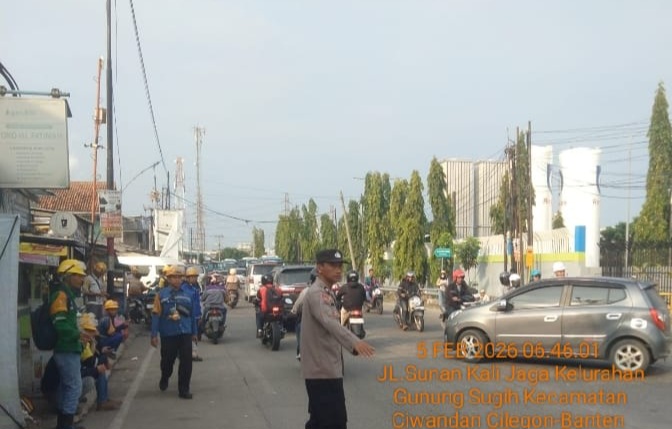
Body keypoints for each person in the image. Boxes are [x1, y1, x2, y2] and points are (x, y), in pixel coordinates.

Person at [301, 249, 375, 429]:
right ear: (319, 268)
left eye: (340, 266)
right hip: (323, 372)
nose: (338, 270)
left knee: (319, 422)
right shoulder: (317, 294)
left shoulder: (326, 291)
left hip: (324, 370)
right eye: (333, 265)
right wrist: (354, 342)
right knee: (334, 423)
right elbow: (331, 323)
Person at [50, 258, 87, 429]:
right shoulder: (61, 295)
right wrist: (77, 334)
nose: (81, 279)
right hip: (66, 348)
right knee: (74, 388)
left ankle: (65, 426)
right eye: (78, 276)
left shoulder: (68, 295)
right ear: (68, 276)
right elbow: (59, 323)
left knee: (68, 388)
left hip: (70, 347)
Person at [151, 265, 197, 399]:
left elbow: (192, 315)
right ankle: (165, 376)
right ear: (168, 279)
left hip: (185, 332)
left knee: (186, 361)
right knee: (167, 361)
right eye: (174, 277)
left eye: (179, 277)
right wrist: (154, 334)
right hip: (168, 333)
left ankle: (184, 389)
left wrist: (194, 332)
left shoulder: (188, 295)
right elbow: (156, 314)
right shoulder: (161, 295)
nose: (177, 280)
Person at [78, 314, 122, 412]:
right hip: (60, 389)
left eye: (92, 331)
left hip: (75, 377)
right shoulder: (79, 345)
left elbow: (92, 359)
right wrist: (98, 366)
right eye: (88, 331)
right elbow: (86, 366)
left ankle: (104, 399)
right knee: (94, 374)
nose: (91, 334)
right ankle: (102, 401)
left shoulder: (87, 343)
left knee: (99, 367)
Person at [292, 268, 316, 360]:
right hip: (326, 321)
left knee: (299, 328)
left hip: (308, 319)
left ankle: (301, 351)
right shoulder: (328, 291)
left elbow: (298, 304)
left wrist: (293, 311)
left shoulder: (306, 291)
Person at [183, 267, 203, 361]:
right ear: (187, 278)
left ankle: (193, 353)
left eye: (196, 277)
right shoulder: (184, 289)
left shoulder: (195, 288)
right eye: (193, 277)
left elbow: (197, 304)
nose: (195, 279)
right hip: (187, 316)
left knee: (194, 335)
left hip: (195, 316)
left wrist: (199, 316)